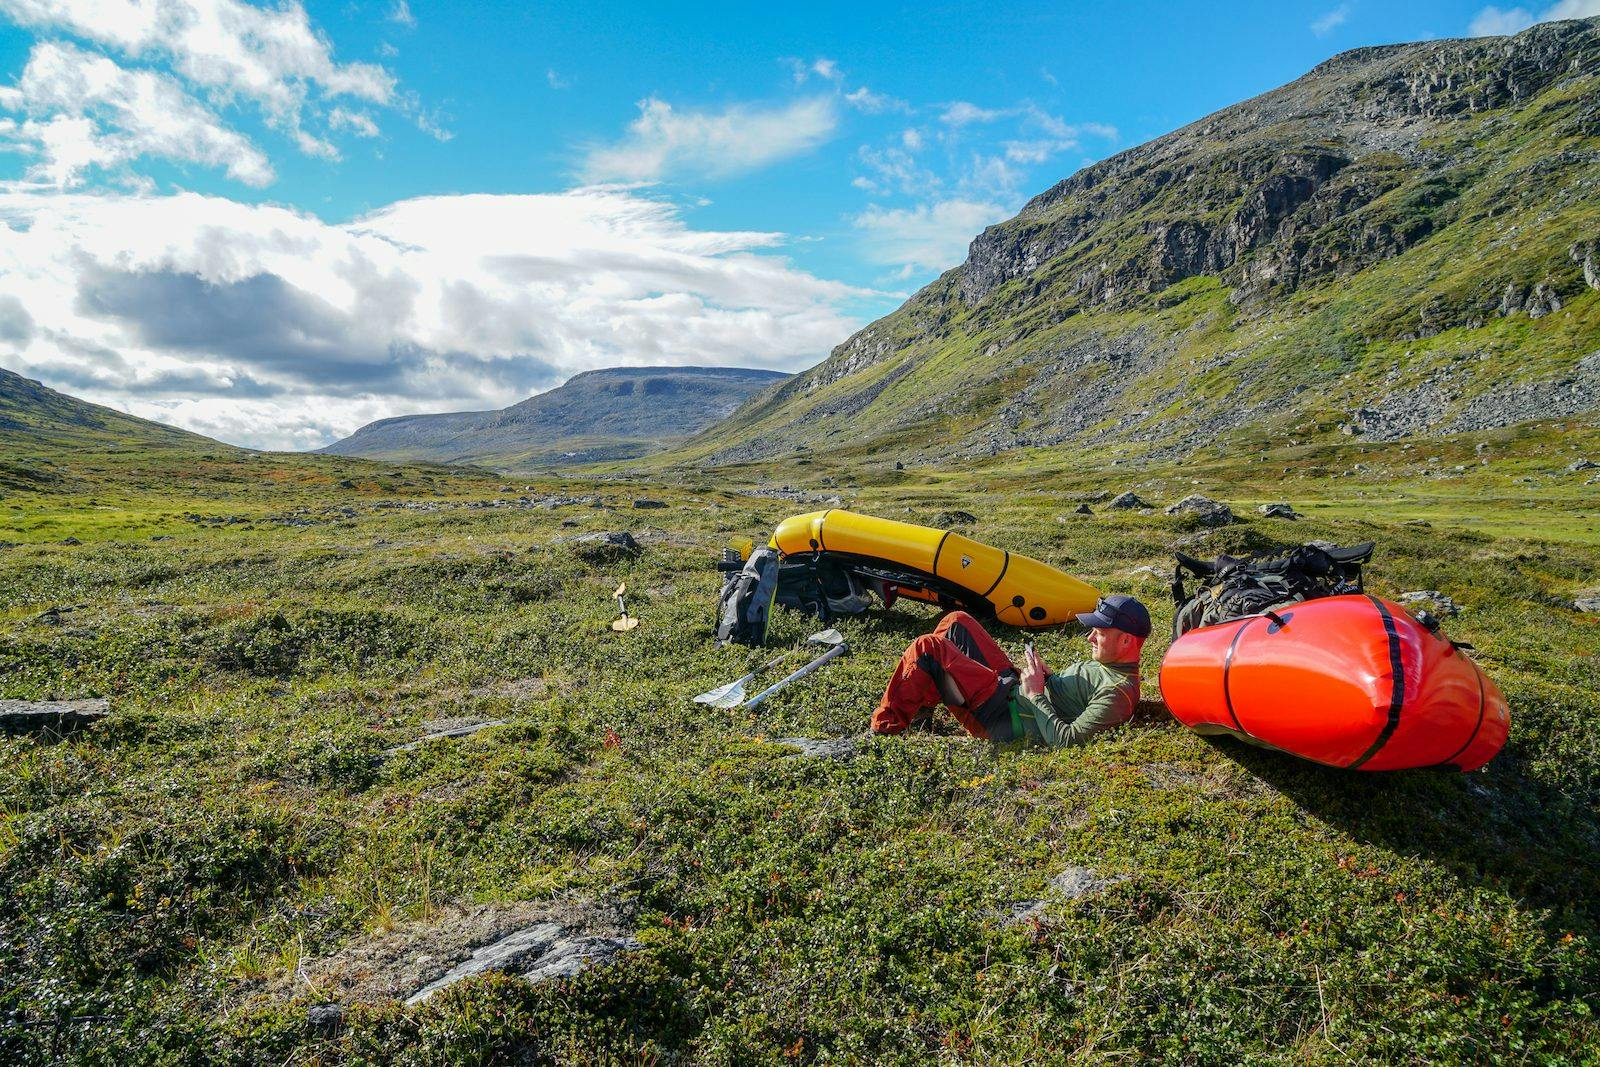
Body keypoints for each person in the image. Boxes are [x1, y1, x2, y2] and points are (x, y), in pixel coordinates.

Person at [870, 595, 1151, 746]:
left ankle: (883, 734)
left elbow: (1068, 740)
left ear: (1126, 640)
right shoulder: (1109, 662)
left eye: (1099, 632)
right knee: (957, 621)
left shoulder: (1117, 692)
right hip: (1013, 689)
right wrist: (1049, 677)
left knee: (927, 648)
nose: (1090, 637)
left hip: (1003, 719)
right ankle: (921, 713)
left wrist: (1037, 693)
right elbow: (1071, 697)